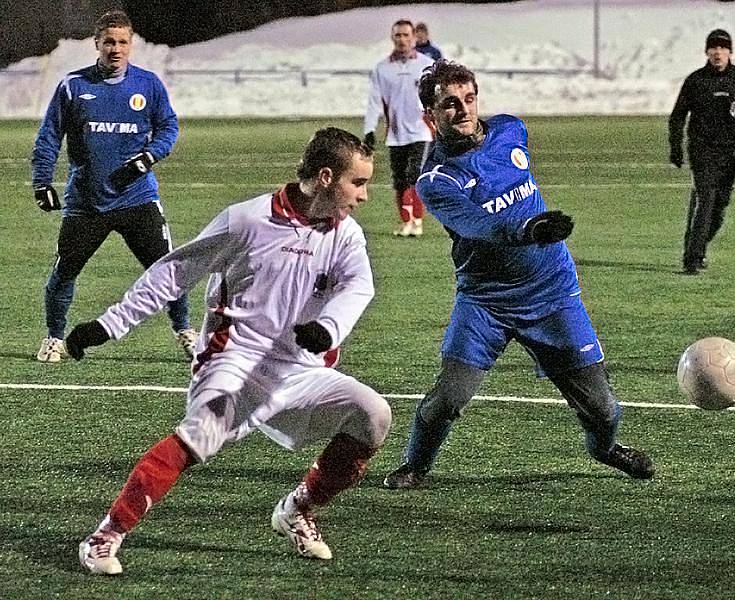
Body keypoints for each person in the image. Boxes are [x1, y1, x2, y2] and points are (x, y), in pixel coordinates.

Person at [67, 127, 391, 574]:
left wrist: (328, 328)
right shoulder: (247, 220)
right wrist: (109, 324)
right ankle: (104, 536)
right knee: (197, 436)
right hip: (234, 360)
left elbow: (359, 285)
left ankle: (297, 509)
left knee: (373, 414)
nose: (365, 196)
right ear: (325, 177)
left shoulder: (345, 234)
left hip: (298, 368)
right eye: (359, 183)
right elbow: (174, 273)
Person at [383, 60, 655, 490]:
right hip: (486, 303)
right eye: (450, 104)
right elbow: (479, 225)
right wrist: (528, 228)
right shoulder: (436, 181)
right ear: (429, 115)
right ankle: (415, 465)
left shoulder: (511, 129)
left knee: (602, 409)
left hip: (552, 294)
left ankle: (604, 449)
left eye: (469, 99)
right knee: (449, 397)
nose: (464, 110)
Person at [31, 9, 197, 363]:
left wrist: (147, 158)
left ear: (131, 45)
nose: (116, 49)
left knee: (168, 269)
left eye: (122, 42)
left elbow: (169, 127)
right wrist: (41, 180)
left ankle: (185, 330)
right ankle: (54, 337)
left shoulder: (148, 85)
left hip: (138, 199)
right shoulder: (73, 86)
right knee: (64, 272)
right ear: (97, 44)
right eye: (109, 42)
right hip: (87, 203)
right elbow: (49, 137)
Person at [668, 29, 735, 275]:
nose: (718, 53)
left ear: (730, 52)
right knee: (706, 201)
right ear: (707, 52)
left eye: (722, 48)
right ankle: (693, 259)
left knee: (719, 209)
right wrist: (675, 147)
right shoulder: (696, 81)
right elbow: (677, 116)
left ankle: (697, 246)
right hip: (702, 150)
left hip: (730, 153)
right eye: (713, 48)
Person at [364, 19, 434, 237]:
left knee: (415, 174)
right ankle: (406, 222)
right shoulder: (382, 68)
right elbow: (375, 101)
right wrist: (369, 130)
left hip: (421, 131)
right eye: (398, 35)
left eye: (406, 35)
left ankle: (418, 220)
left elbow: (435, 97)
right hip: (396, 134)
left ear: (414, 37)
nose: (402, 39)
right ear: (392, 38)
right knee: (399, 180)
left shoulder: (425, 64)